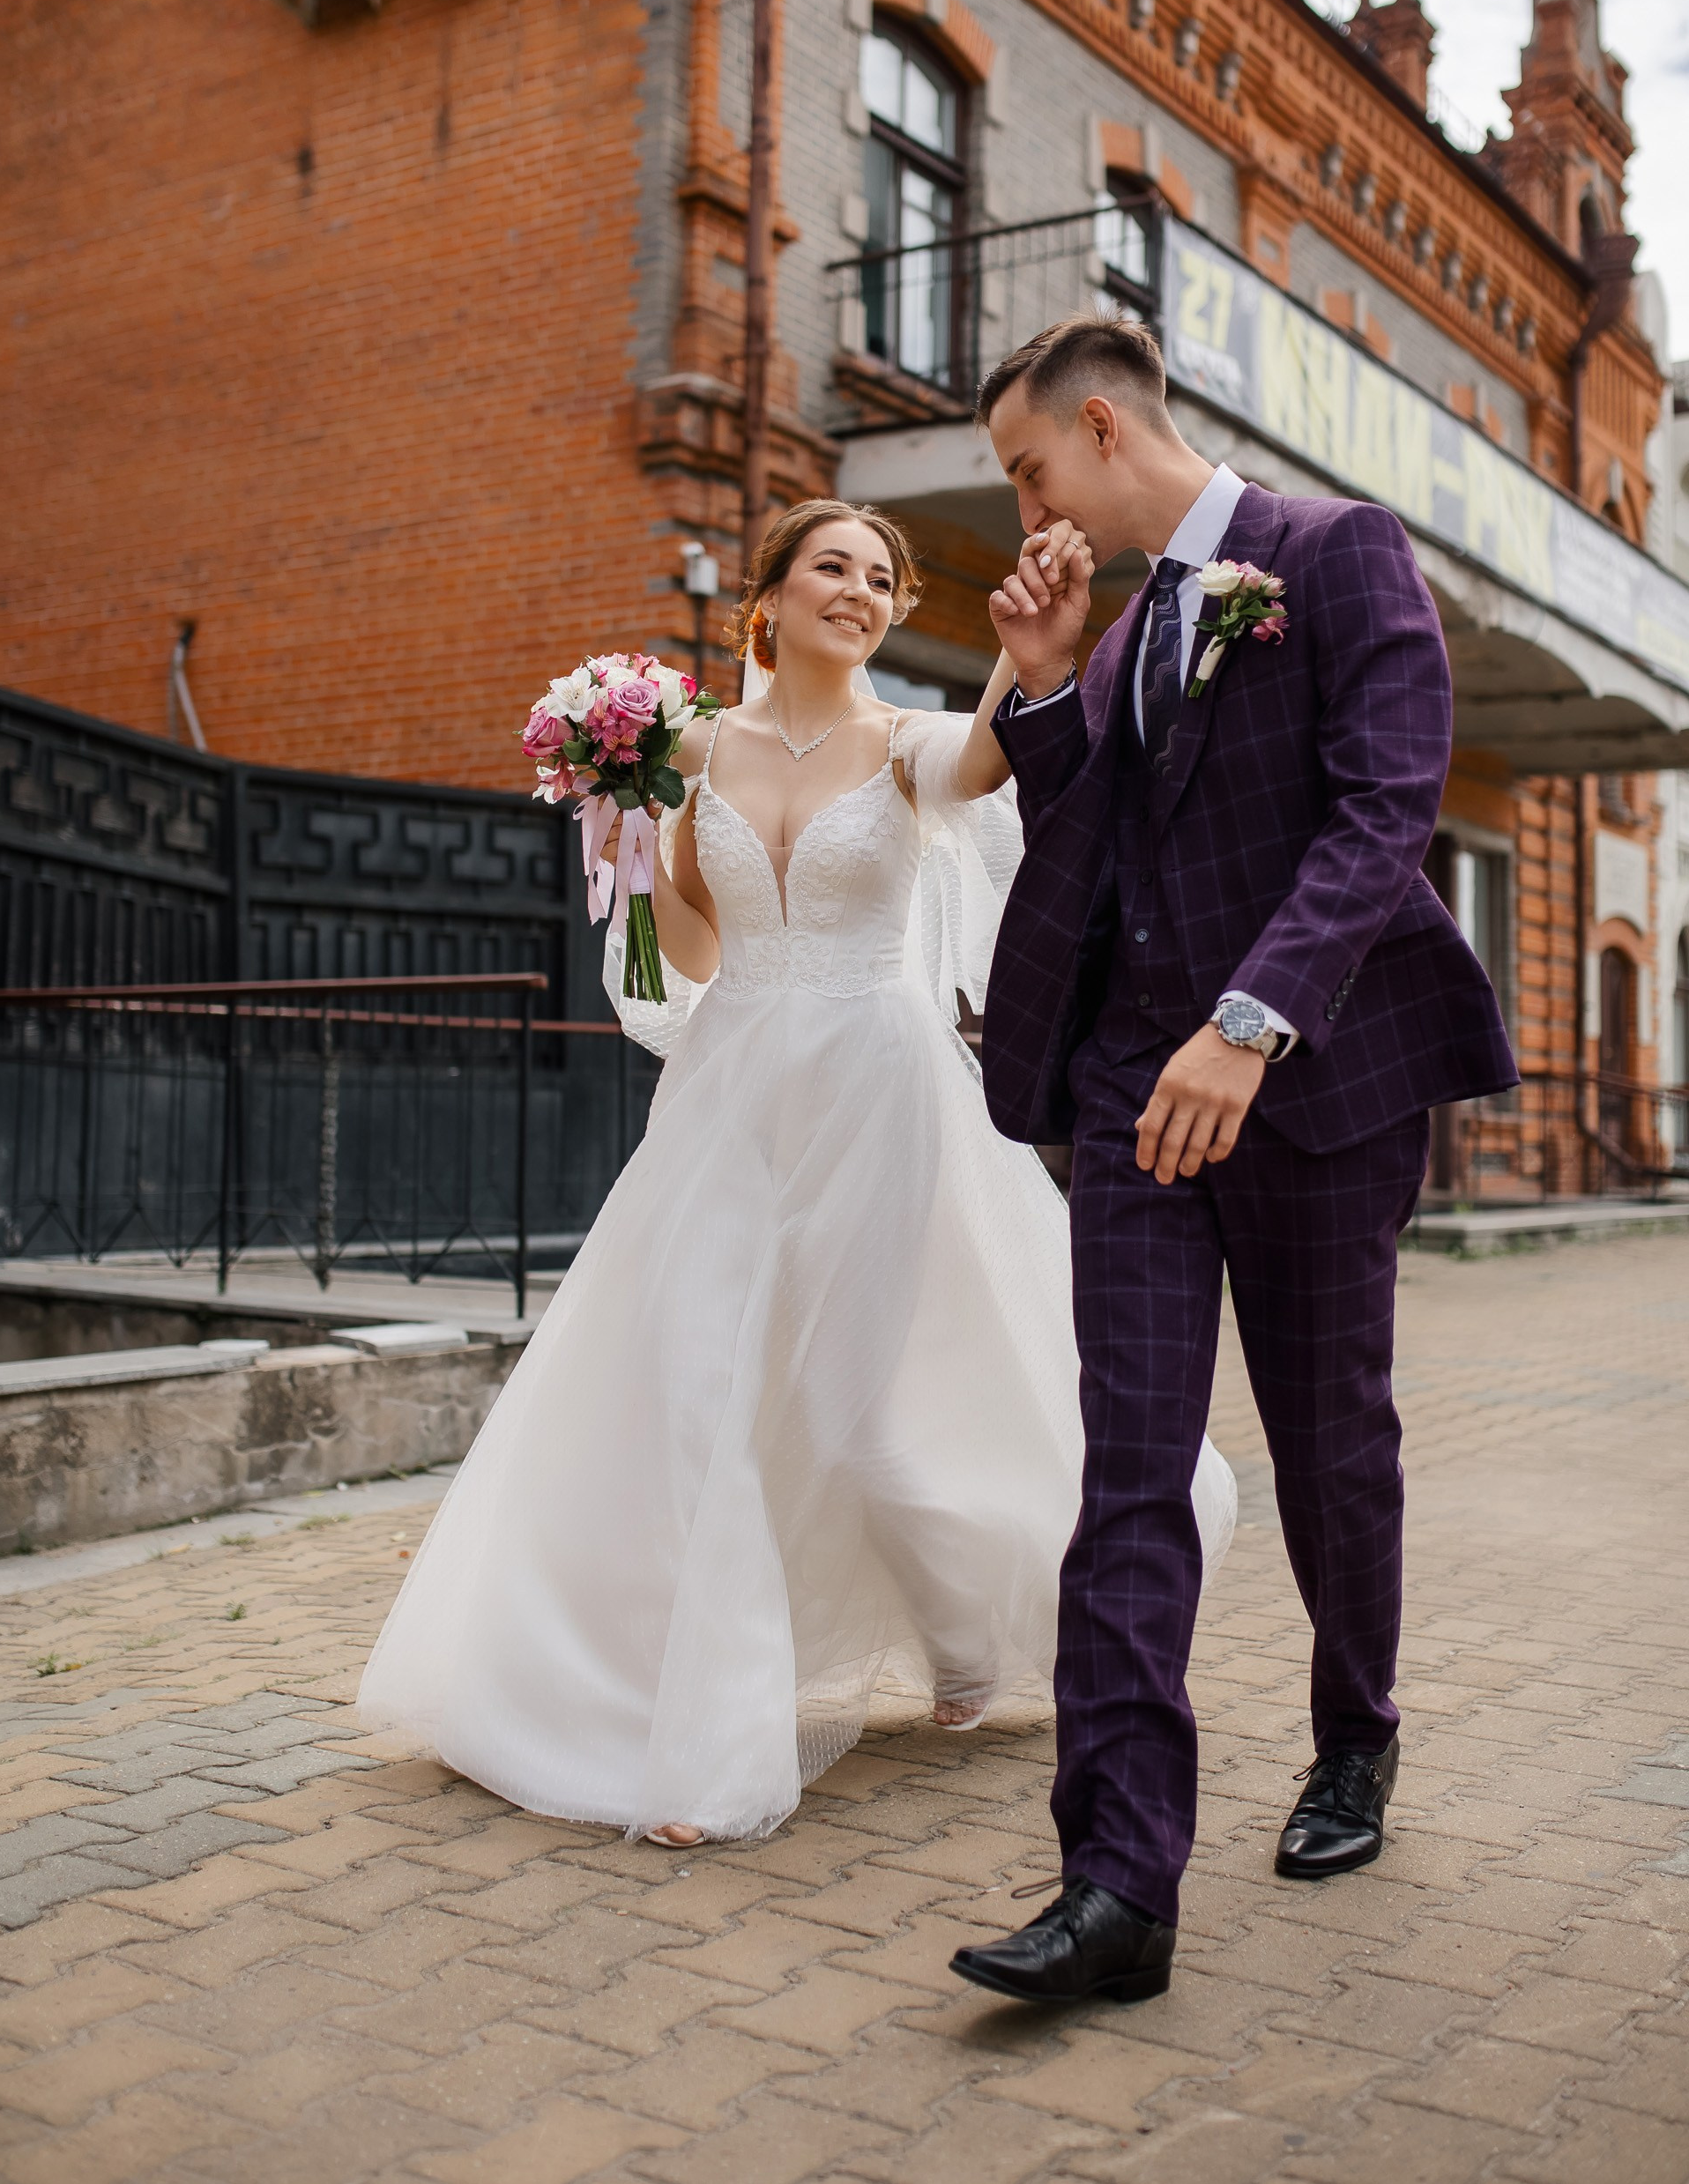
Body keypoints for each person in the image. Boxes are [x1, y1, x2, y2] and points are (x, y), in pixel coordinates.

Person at [357, 496, 1236, 1847]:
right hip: (730, 1094)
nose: (863, 590)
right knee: (702, 1383)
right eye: (834, 566)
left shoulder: (902, 750)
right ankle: (701, 1730)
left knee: (861, 1407)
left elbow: (997, 754)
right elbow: (696, 963)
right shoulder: (685, 748)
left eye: (882, 577)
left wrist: (1025, 637)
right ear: (765, 597)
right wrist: (635, 841)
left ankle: (965, 1628)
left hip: (878, 1100)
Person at [949, 316, 1516, 2009]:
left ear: (1103, 428)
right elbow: (1089, 844)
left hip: (1313, 1090)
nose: (1023, 502)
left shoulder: (1334, 555)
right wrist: (1050, 679)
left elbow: (1382, 809)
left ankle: (1357, 1738)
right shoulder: (1120, 633)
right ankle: (1118, 1880)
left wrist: (1252, 1023)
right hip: (1133, 1095)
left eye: (1029, 468)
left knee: (1331, 1437)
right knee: (1128, 1469)